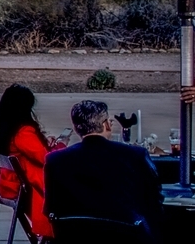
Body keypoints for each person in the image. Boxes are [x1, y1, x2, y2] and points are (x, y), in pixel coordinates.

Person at [46, 100, 164, 236]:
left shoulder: (55, 160)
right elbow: (154, 200)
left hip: (78, 241)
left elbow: (51, 207)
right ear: (106, 124)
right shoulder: (135, 155)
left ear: (77, 128)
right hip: (128, 240)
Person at [0, 84, 51, 243]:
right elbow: (45, 158)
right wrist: (60, 146)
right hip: (32, 186)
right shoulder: (22, 132)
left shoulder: (4, 131)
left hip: (11, 185)